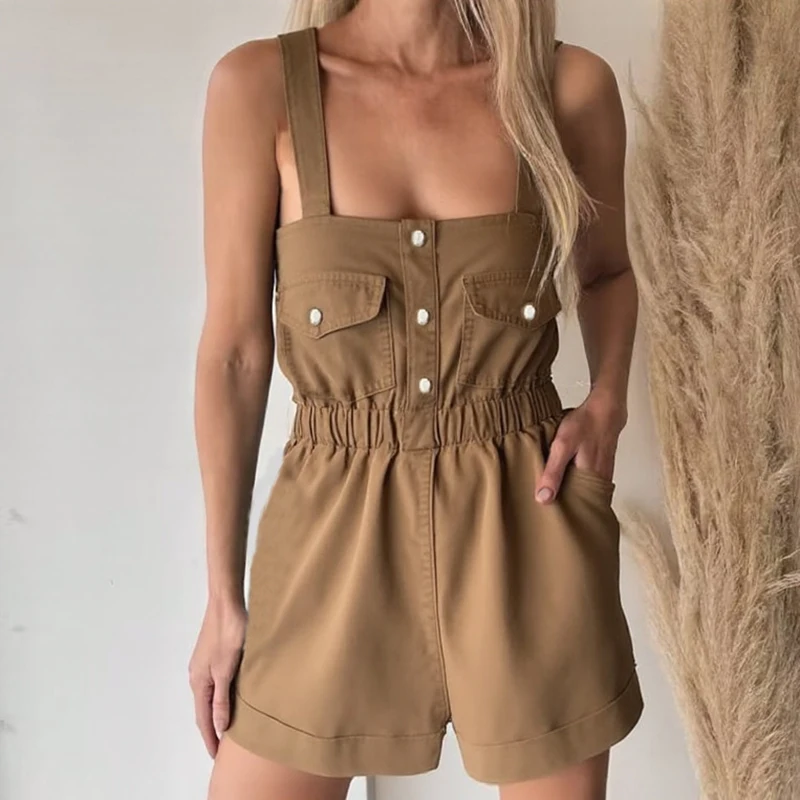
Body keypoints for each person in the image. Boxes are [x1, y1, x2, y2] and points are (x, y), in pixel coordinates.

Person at [190, 1, 642, 798]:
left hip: (529, 523)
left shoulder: (566, 87)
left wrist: (608, 399)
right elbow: (234, 354)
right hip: (329, 534)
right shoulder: (259, 87)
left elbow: (606, 272)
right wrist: (223, 599)